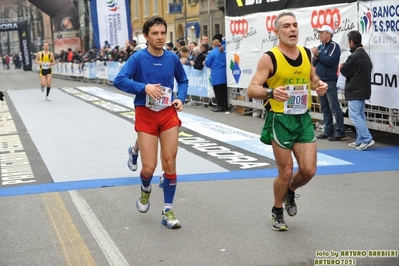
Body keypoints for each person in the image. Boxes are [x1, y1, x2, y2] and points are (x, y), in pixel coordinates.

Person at [247, 12, 328, 231]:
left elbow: (312, 78)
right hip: (280, 119)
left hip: (302, 118)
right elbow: (252, 88)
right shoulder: (269, 57)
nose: (292, 29)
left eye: (294, 25)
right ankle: (277, 210)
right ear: (277, 32)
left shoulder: (305, 53)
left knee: (309, 170)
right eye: (286, 26)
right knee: (285, 170)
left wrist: (318, 85)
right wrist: (272, 92)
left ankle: (290, 190)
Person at [113, 16, 188, 229]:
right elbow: (119, 80)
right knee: (149, 167)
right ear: (146, 36)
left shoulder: (172, 58)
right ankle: (145, 190)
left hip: (167, 114)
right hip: (145, 113)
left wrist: (180, 97)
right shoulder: (138, 58)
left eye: (163, 33)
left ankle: (167, 210)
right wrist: (143, 87)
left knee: (170, 162)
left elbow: (182, 80)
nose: (160, 37)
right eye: (155, 33)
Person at [340, 30, 374, 151]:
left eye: (349, 42)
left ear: (352, 42)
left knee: (354, 115)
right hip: (362, 90)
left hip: (355, 90)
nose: (348, 45)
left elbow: (345, 71)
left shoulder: (354, 56)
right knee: (360, 115)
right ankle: (361, 139)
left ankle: (366, 138)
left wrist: (342, 66)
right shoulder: (365, 55)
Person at [312, 25, 346, 141]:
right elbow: (314, 63)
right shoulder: (320, 46)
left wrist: (319, 55)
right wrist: (316, 55)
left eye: (322, 32)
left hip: (330, 80)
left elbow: (330, 61)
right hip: (321, 80)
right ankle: (328, 130)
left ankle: (340, 132)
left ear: (329, 34)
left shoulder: (334, 46)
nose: (319, 35)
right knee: (325, 107)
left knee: (334, 107)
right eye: (319, 33)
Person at [205, 33, 228, 112]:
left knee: (217, 91)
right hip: (224, 73)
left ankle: (219, 106)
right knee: (224, 91)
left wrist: (205, 62)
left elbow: (208, 63)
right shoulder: (224, 50)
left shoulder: (212, 53)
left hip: (216, 74)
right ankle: (225, 106)